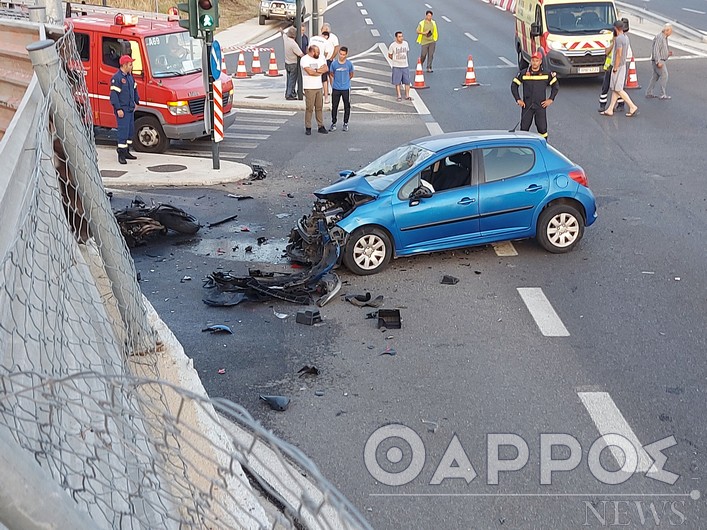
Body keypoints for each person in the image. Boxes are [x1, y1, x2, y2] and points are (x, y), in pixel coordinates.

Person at [511, 51, 559, 138]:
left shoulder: (546, 73)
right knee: (524, 129)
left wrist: (550, 99)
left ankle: (543, 147)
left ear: (540, 62)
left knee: (542, 130)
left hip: (540, 106)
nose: (534, 63)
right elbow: (514, 86)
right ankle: (524, 149)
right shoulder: (524, 73)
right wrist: (518, 99)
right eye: (533, 60)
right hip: (527, 106)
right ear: (530, 61)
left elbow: (555, 86)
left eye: (537, 61)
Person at [600, 20, 638, 117]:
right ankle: (610, 109)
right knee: (615, 89)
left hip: (618, 66)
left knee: (618, 89)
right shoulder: (626, 38)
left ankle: (632, 106)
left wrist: (615, 67)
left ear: (616, 28)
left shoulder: (618, 39)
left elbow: (618, 54)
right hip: (622, 65)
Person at [109, 55, 139, 164]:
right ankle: (121, 153)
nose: (132, 66)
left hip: (130, 108)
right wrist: (118, 109)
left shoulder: (130, 77)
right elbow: (114, 96)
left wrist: (136, 101)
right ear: (125, 65)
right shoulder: (117, 78)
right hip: (123, 109)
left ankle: (126, 151)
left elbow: (134, 89)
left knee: (130, 131)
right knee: (123, 131)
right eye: (130, 64)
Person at [300, 45, 328, 135]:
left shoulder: (320, 58)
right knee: (309, 108)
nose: (318, 54)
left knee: (319, 107)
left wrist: (316, 71)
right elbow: (309, 72)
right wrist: (318, 71)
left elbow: (325, 68)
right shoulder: (305, 59)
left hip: (318, 86)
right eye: (317, 52)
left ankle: (321, 125)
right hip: (309, 87)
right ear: (311, 52)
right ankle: (308, 126)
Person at [598, 23, 626, 113]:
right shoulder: (612, 38)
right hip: (610, 66)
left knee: (618, 87)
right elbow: (606, 51)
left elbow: (620, 54)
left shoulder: (622, 38)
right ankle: (603, 105)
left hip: (616, 66)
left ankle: (621, 104)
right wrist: (613, 42)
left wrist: (616, 67)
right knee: (606, 86)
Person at [329, 46, 354, 132]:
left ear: (346, 55)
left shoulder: (349, 64)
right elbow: (331, 73)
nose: (342, 56)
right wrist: (335, 82)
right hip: (336, 88)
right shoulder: (334, 64)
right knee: (334, 106)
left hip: (346, 88)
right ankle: (333, 122)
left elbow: (351, 74)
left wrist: (346, 81)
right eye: (340, 54)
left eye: (344, 54)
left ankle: (345, 123)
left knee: (347, 106)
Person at [646, 23, 673, 100]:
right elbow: (656, 49)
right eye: (670, 31)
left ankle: (649, 92)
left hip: (659, 59)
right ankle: (662, 94)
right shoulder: (660, 37)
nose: (671, 33)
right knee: (664, 75)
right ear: (667, 30)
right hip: (659, 60)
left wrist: (667, 53)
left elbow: (660, 49)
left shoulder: (664, 37)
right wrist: (658, 61)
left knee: (655, 76)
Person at [309, 30, 335, 104]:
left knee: (313, 78)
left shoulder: (312, 38)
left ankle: (313, 98)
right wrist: (323, 58)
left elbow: (308, 49)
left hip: (312, 61)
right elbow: (326, 52)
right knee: (324, 79)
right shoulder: (325, 41)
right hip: (321, 62)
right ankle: (326, 97)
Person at [388, 31, 412, 102]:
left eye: (402, 36)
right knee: (397, 82)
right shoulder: (392, 46)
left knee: (407, 81)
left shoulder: (406, 44)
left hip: (405, 65)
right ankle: (399, 95)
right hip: (396, 66)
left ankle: (407, 95)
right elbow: (390, 55)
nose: (401, 38)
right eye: (399, 37)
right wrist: (395, 60)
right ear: (396, 38)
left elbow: (407, 51)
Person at [283, 27, 304, 100]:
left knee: (289, 79)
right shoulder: (294, 44)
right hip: (293, 64)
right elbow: (300, 54)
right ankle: (289, 95)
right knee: (292, 80)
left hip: (287, 62)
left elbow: (283, 34)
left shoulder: (286, 39)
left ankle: (289, 92)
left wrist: (281, 31)